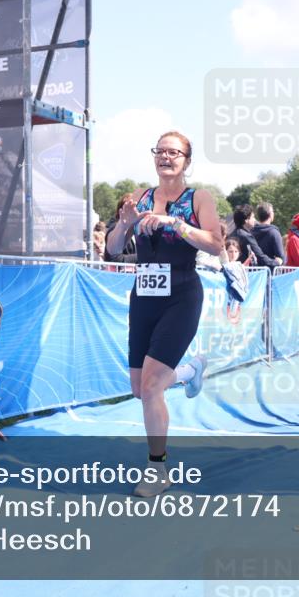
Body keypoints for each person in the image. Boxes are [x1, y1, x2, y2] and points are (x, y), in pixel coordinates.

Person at [105, 130, 222, 498]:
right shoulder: (140, 197)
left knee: (154, 385)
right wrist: (125, 223)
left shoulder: (198, 198)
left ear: (187, 160)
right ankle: (189, 371)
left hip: (182, 295)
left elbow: (217, 245)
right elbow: (111, 249)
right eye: (160, 151)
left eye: (174, 152)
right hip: (145, 296)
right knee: (140, 389)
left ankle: (158, 469)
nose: (166, 157)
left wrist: (177, 224)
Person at [105, 194, 138, 263]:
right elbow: (115, 258)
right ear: (121, 211)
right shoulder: (115, 229)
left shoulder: (137, 229)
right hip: (119, 272)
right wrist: (145, 257)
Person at [251, 202, 285, 267]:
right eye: (273, 211)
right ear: (270, 214)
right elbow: (281, 257)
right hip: (271, 272)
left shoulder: (251, 232)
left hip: (255, 273)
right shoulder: (274, 233)